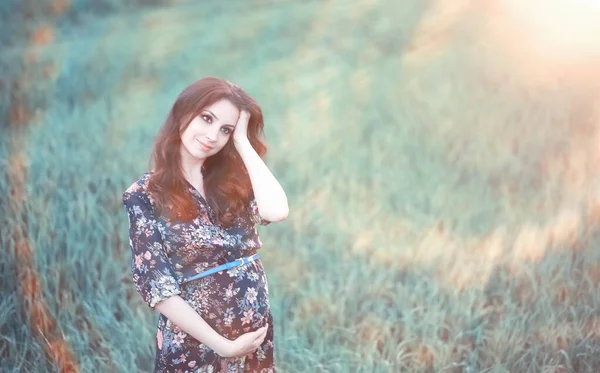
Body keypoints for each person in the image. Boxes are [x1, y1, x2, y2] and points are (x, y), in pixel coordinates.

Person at [122, 77, 289, 373]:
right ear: (184, 113)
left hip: (253, 341)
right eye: (207, 119)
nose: (213, 135)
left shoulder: (230, 182)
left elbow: (277, 211)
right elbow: (158, 289)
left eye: (225, 129)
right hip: (195, 347)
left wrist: (242, 142)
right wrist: (223, 346)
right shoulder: (145, 195)